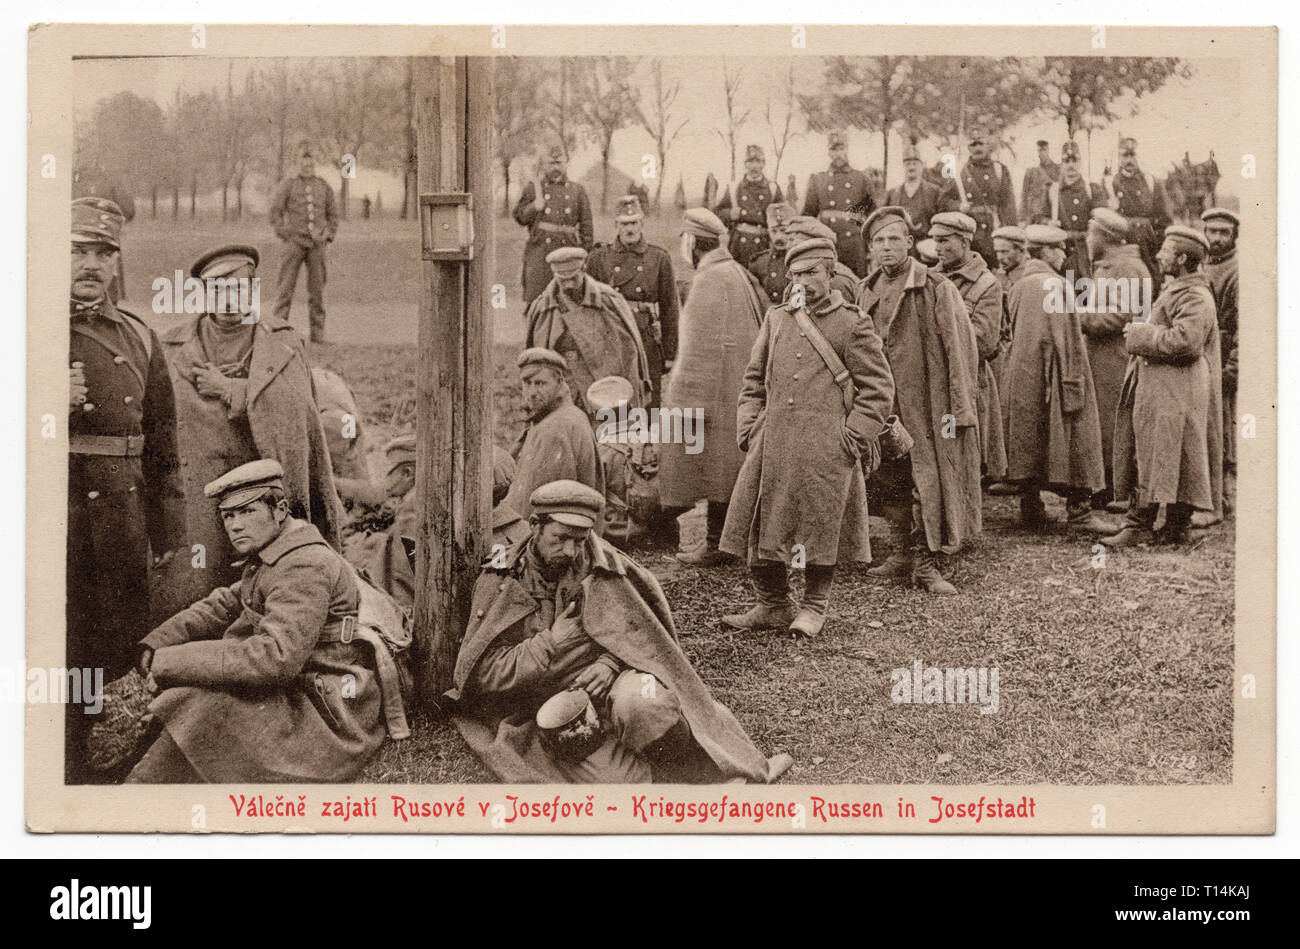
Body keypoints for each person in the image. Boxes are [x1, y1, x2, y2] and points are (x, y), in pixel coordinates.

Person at [447, 480, 793, 784]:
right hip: (552, 707)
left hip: (620, 679)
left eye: (580, 540)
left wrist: (609, 664)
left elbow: (643, 636)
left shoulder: (605, 567)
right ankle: (653, 775)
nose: (571, 551)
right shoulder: (501, 581)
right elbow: (486, 676)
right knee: (619, 785)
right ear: (535, 526)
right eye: (561, 538)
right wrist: (551, 643)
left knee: (643, 704)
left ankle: (697, 773)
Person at [126, 459, 409, 782]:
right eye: (228, 515)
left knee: (204, 703)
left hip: (327, 705)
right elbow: (225, 603)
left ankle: (139, 786)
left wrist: (170, 661)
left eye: (247, 512)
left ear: (280, 509)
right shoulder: (279, 549)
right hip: (302, 682)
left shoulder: (304, 564)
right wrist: (159, 641)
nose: (235, 525)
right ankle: (141, 773)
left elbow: (275, 658)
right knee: (195, 693)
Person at [154, 244, 343, 621]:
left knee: (266, 574)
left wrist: (231, 391)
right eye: (218, 291)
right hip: (197, 485)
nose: (229, 301)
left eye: (239, 290)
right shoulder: (172, 345)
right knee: (197, 573)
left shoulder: (282, 342)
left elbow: (296, 414)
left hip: (262, 480)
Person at [720, 237, 894, 635]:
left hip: (826, 447)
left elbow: (879, 388)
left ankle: (814, 606)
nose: (803, 281)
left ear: (831, 274)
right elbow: (752, 380)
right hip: (773, 443)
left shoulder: (852, 322)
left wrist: (855, 434)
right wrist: (749, 426)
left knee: (822, 525)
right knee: (761, 520)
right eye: (796, 274)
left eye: (812, 272)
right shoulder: (777, 318)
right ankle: (772, 603)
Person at [67, 197, 185, 782]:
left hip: (121, 511)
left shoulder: (138, 335)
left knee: (107, 631)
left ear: (116, 263)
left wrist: (168, 529)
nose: (90, 264)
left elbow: (162, 438)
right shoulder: (29, 328)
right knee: (60, 630)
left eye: (102, 253)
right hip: (57, 514)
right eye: (77, 250)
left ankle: (83, 738)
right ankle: (64, 751)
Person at [856, 206, 983, 595]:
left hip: (928, 405)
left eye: (894, 239)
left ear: (910, 243)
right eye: (878, 241)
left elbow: (961, 352)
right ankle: (900, 554)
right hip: (883, 404)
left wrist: (960, 409)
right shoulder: (866, 289)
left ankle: (927, 564)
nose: (886, 247)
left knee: (926, 481)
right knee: (889, 479)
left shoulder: (935, 286)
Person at [658, 208, 767, 565]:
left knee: (716, 469)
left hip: (716, 397)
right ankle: (724, 542)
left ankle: (719, 545)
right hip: (733, 394)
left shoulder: (710, 280)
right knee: (725, 469)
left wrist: (681, 401)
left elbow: (694, 351)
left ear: (691, 242)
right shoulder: (733, 272)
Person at [1104, 226, 1223, 546]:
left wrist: (1141, 336)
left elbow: (1187, 342)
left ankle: (1145, 525)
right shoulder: (1182, 289)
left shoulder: (1195, 295)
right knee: (1168, 452)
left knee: (1164, 452)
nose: (1159, 255)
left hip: (1176, 390)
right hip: (1169, 388)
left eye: (1167, 251)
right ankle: (1172, 527)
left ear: (1183, 259)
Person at [1003, 225, 1111, 532]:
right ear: (1046, 252)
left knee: (1028, 437)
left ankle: (1031, 507)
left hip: (1024, 375)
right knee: (1076, 436)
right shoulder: (1057, 285)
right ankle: (1080, 513)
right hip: (1057, 374)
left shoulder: (1020, 284)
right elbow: (1068, 340)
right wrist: (1073, 380)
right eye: (1060, 249)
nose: (1063, 254)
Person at [929, 212, 1009, 484]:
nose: (937, 248)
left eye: (944, 241)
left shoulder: (987, 285)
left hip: (967, 385)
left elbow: (984, 342)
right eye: (935, 242)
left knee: (963, 454)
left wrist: (937, 335)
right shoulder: (929, 278)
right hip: (932, 383)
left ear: (964, 242)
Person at [524, 246, 651, 417]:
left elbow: (630, 351)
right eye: (562, 280)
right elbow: (531, 360)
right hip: (563, 389)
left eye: (573, 278)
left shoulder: (608, 301)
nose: (568, 285)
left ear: (584, 270)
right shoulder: (542, 308)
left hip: (604, 389)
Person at [1082, 208, 1152, 509]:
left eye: (1091, 233)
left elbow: (1120, 314)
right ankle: (1108, 485)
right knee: (1106, 422)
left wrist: (1079, 318)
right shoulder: (1110, 266)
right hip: (1103, 357)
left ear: (1105, 237)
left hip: (1116, 357)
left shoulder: (1125, 268)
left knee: (1116, 423)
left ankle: (1118, 489)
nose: (1086, 239)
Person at [586, 195, 680, 406]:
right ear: (616, 225)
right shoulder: (599, 258)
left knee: (648, 403)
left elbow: (670, 307)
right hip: (613, 338)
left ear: (642, 223)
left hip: (646, 338)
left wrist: (670, 351)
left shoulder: (658, 258)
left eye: (634, 222)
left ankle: (649, 439)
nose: (630, 229)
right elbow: (589, 308)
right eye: (624, 223)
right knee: (612, 401)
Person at [502, 348, 603, 521]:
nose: (532, 392)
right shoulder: (548, 417)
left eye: (540, 383)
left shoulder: (559, 427)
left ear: (559, 382)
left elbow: (545, 505)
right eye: (527, 383)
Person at [269, 141, 338, 344]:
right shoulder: (289, 185)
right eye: (304, 164)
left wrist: (328, 234)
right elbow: (275, 212)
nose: (307, 167)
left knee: (317, 291)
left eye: (311, 164)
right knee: (285, 290)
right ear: (299, 164)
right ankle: (278, 333)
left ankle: (318, 335)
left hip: (317, 246)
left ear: (314, 165)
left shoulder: (323, 186)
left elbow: (333, 215)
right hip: (294, 244)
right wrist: (285, 233)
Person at [513, 143, 594, 307]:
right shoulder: (533, 188)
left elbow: (587, 227)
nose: (556, 167)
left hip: (568, 252)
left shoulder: (577, 191)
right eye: (551, 163)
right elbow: (519, 216)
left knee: (570, 304)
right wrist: (534, 207)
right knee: (538, 304)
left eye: (559, 163)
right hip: (540, 254)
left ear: (566, 163)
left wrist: (584, 255)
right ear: (544, 165)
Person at [346, 435, 419, 609]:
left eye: (386, 471)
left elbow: (402, 578)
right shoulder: (412, 503)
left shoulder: (411, 512)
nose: (382, 480)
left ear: (408, 473)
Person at [1200, 207, 1239, 519]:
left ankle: (1223, 498)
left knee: (1223, 429)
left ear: (1233, 236)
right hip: (1202, 355)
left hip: (1223, 357)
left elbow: (1245, 328)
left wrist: (1233, 369)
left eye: (1223, 232)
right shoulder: (1202, 264)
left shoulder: (1237, 271)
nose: (1215, 238)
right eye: (1211, 231)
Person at [941, 125, 1018, 269]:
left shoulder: (1000, 170)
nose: (977, 148)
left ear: (988, 145)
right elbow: (943, 202)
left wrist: (1009, 236)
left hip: (995, 232)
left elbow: (1009, 206)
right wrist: (958, 207)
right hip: (971, 235)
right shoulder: (960, 173)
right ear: (968, 148)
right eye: (973, 144)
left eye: (980, 143)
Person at [1102, 137, 1172, 292]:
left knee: (1149, 292)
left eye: (1132, 155)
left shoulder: (1152, 183)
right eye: (1124, 156)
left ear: (1138, 157)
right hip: (1121, 250)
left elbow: (1165, 221)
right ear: (1118, 158)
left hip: (1148, 250)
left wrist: (1157, 247)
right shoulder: (1109, 184)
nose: (1129, 160)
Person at [803, 130, 876, 277]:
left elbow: (873, 215)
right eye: (833, 150)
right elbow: (808, 215)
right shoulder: (818, 180)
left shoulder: (861, 179)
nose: (838, 154)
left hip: (854, 244)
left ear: (847, 149)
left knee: (856, 286)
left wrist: (872, 246)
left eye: (841, 149)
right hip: (826, 243)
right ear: (828, 152)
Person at [714, 144, 784, 268]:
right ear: (745, 165)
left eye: (758, 161)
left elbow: (782, 217)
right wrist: (730, 214)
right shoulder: (734, 188)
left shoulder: (772, 188)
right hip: (738, 246)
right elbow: (717, 213)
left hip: (763, 245)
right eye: (750, 161)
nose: (754, 166)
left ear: (763, 164)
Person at [1042, 141, 1097, 279]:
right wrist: (1049, 223)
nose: (1071, 165)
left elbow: (1100, 217)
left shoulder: (1091, 189)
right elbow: (1039, 217)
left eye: (1074, 160)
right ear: (1061, 163)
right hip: (1062, 252)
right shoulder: (1053, 190)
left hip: (1086, 251)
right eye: (1066, 161)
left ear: (1080, 162)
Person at [886, 142, 948, 243]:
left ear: (922, 166)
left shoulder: (935, 192)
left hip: (927, 246)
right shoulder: (893, 194)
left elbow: (943, 221)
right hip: (899, 246)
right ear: (903, 166)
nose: (911, 167)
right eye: (908, 164)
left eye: (915, 164)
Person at [747, 201, 796, 304]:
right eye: (774, 231)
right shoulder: (758, 263)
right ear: (768, 231)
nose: (778, 237)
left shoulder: (800, 260)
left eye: (784, 231)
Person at [1020, 140, 1060, 225]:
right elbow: (1024, 195)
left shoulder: (1057, 169)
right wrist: (1022, 219)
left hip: (1050, 218)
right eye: (1039, 150)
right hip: (1034, 218)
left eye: (1044, 150)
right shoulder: (1030, 172)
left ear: (1048, 150)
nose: (1041, 153)